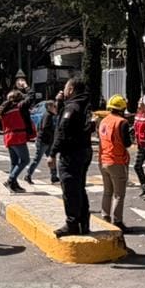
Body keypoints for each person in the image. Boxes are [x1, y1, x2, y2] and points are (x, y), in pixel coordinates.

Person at [50, 78, 93, 237]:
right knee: (79, 187)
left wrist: (52, 153)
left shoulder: (72, 107)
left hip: (71, 153)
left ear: (71, 89)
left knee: (70, 189)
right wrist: (60, 102)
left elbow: (62, 131)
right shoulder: (84, 104)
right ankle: (83, 222)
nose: (63, 90)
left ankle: (72, 223)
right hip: (84, 150)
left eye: (65, 87)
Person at [97, 94, 133, 232]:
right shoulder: (122, 122)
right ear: (122, 109)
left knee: (107, 192)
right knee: (119, 194)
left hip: (103, 160)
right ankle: (117, 221)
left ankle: (105, 217)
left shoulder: (103, 121)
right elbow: (127, 143)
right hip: (116, 161)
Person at [0, 90, 36, 193]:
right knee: (25, 160)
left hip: (8, 137)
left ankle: (14, 185)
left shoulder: (5, 109)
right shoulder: (19, 106)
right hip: (18, 137)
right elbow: (31, 97)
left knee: (14, 163)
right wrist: (26, 87)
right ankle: (10, 180)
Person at [26, 99, 59, 184]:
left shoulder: (51, 115)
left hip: (48, 141)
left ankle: (54, 176)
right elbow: (45, 128)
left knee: (52, 158)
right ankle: (28, 175)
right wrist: (54, 133)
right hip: (43, 141)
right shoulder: (48, 115)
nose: (56, 108)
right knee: (37, 159)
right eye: (54, 106)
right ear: (49, 107)